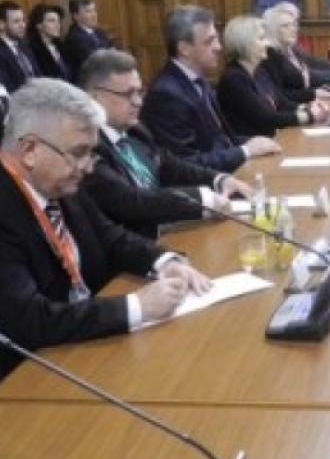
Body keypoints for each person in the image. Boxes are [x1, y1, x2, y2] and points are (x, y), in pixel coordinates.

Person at [0, 78, 211, 378]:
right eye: (78, 153)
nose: (88, 166)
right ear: (30, 150)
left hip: (89, 347)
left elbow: (111, 238)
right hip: (32, 374)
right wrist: (136, 306)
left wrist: (164, 262)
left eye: (91, 153)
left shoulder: (58, 183)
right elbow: (30, 320)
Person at [80, 49, 252, 238]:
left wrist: (220, 180)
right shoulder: (87, 147)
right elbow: (131, 202)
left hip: (169, 229)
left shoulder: (136, 131)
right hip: (140, 243)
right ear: (95, 98)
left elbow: (172, 166)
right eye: (128, 94)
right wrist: (204, 199)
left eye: (139, 92)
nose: (138, 102)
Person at [140, 4, 281, 173]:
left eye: (217, 39)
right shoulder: (166, 94)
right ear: (184, 49)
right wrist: (245, 151)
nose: (218, 47)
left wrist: (256, 142)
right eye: (209, 41)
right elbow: (185, 163)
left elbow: (222, 140)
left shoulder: (197, 80)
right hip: (206, 183)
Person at [218, 14, 323, 137]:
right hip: (254, 144)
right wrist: (309, 116)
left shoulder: (259, 71)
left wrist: (307, 107)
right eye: (262, 39)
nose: (267, 43)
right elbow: (266, 118)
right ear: (244, 43)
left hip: (271, 140)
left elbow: (282, 102)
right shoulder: (234, 79)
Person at [258, 3, 330, 111]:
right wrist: (313, 94)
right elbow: (279, 96)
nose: (293, 29)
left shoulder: (287, 49)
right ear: (272, 30)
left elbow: (308, 73)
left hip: (305, 107)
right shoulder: (270, 56)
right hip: (290, 114)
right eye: (285, 26)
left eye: (294, 25)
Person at [61, 0, 113, 83]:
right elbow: (95, 61)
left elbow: (112, 52)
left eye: (94, 10)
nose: (94, 15)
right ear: (76, 16)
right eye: (88, 11)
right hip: (87, 82)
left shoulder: (100, 32)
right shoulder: (74, 38)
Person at [0, 0, 41, 93]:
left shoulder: (24, 44)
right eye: (16, 21)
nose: (23, 25)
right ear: (1, 24)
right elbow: (7, 88)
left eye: (23, 20)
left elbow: (38, 75)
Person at [26, 3, 72, 81]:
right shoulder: (33, 50)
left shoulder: (61, 45)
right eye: (52, 21)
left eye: (58, 21)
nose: (57, 25)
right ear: (39, 25)